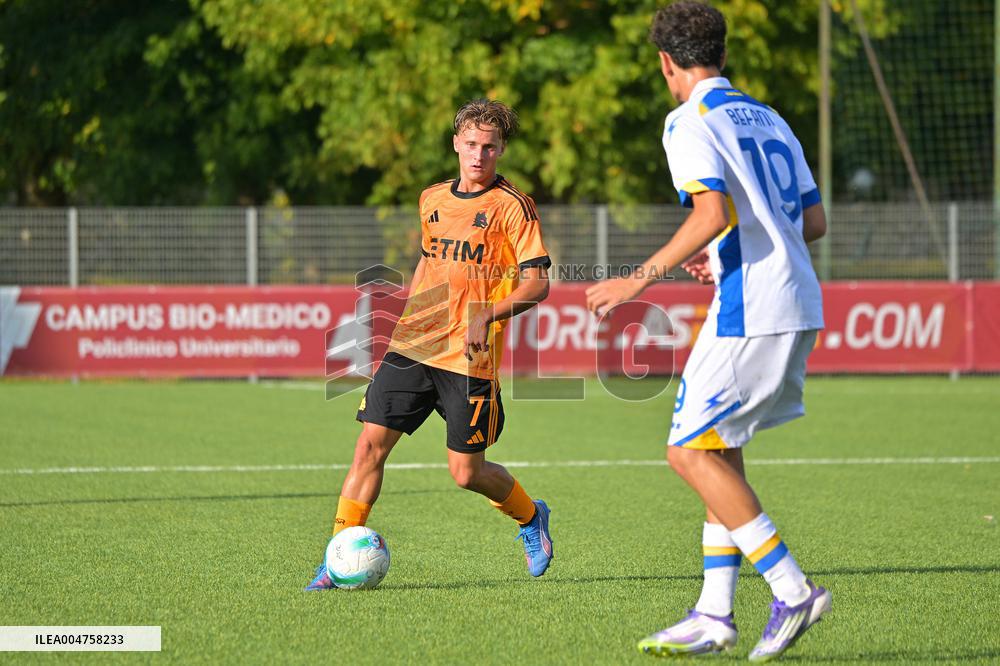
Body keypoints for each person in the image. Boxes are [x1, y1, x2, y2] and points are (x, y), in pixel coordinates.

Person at [586, 2, 831, 660]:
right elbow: (812, 223)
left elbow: (711, 208)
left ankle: (793, 588)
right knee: (718, 449)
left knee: (687, 453)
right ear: (720, 52)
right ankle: (715, 613)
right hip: (795, 296)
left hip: (752, 306)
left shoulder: (688, 118)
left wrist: (637, 280)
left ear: (668, 63)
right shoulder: (772, 117)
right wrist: (724, 246)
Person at [307, 99, 554, 590]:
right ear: (456, 144)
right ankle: (337, 561)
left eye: (489, 147)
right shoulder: (432, 199)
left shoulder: (514, 208)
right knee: (367, 449)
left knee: (467, 473)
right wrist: (408, 316)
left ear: (501, 149)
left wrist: (487, 313)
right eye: (470, 145)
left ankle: (531, 517)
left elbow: (538, 284)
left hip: (470, 356)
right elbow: (427, 262)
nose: (478, 155)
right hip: (415, 343)